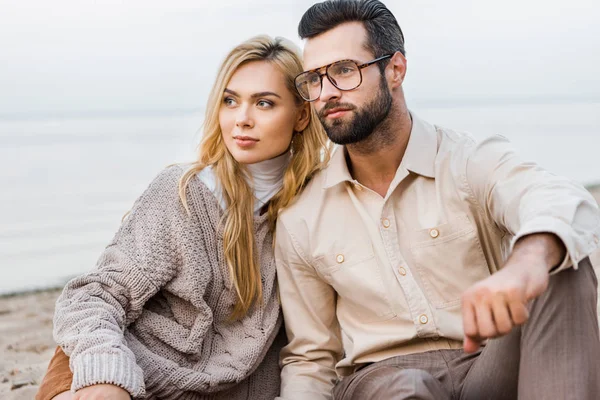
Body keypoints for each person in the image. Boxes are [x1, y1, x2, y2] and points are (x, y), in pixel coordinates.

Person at [275, 1, 600, 399]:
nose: (326, 93)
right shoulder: (302, 217)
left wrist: (526, 264)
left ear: (395, 69)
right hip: (382, 381)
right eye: (314, 78)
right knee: (405, 388)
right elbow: (311, 359)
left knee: (559, 260)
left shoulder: (467, 162)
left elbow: (560, 197)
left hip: (487, 364)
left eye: (344, 70)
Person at [35, 35, 330, 400]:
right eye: (230, 101)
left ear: (302, 116)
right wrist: (107, 375)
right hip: (124, 368)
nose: (242, 120)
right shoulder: (184, 193)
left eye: (264, 103)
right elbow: (95, 295)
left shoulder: (315, 208)